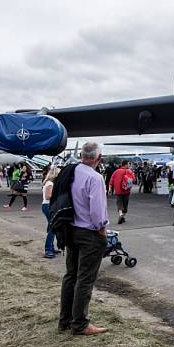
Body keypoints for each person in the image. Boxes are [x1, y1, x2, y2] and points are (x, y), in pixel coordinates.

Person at [59, 142, 109, 336]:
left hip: (71, 229)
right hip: (89, 233)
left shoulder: (71, 172)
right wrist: (102, 229)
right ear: (98, 158)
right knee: (85, 278)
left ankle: (65, 320)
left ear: (81, 155)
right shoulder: (95, 178)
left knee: (71, 275)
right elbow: (97, 211)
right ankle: (80, 323)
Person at [107, 160, 136, 224]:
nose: (129, 165)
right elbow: (134, 180)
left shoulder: (116, 171)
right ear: (125, 164)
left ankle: (120, 215)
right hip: (126, 191)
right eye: (128, 164)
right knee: (125, 205)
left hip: (118, 191)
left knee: (119, 204)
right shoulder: (129, 171)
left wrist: (109, 189)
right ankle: (122, 216)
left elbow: (111, 181)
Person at [40, 170, 59, 258]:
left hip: (47, 206)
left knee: (52, 227)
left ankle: (51, 247)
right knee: (52, 228)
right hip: (48, 206)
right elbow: (48, 196)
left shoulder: (48, 183)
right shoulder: (50, 183)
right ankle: (48, 249)